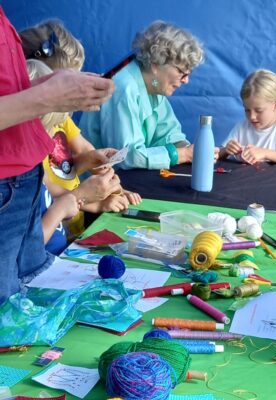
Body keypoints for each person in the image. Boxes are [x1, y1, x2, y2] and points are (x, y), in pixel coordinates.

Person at [0, 7, 114, 304]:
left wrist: (92, 191)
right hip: (11, 188)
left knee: (17, 305)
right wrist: (47, 97)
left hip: (20, 185)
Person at [21, 21, 142, 215]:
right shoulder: (25, 130)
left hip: (70, 223)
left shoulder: (61, 117)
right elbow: (44, 186)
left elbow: (72, 160)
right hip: (54, 228)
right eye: (67, 85)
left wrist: (94, 162)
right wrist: (94, 203)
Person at [79, 20, 205, 170]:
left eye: (189, 73)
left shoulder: (154, 85)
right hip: (96, 185)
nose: (186, 80)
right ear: (156, 64)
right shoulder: (123, 87)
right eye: (181, 72)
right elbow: (125, 157)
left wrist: (190, 149)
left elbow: (168, 133)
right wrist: (182, 155)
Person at [219, 69, 276, 168]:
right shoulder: (242, 127)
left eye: (259, 110)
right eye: (247, 110)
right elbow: (215, 155)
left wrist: (265, 153)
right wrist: (226, 150)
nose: (252, 117)